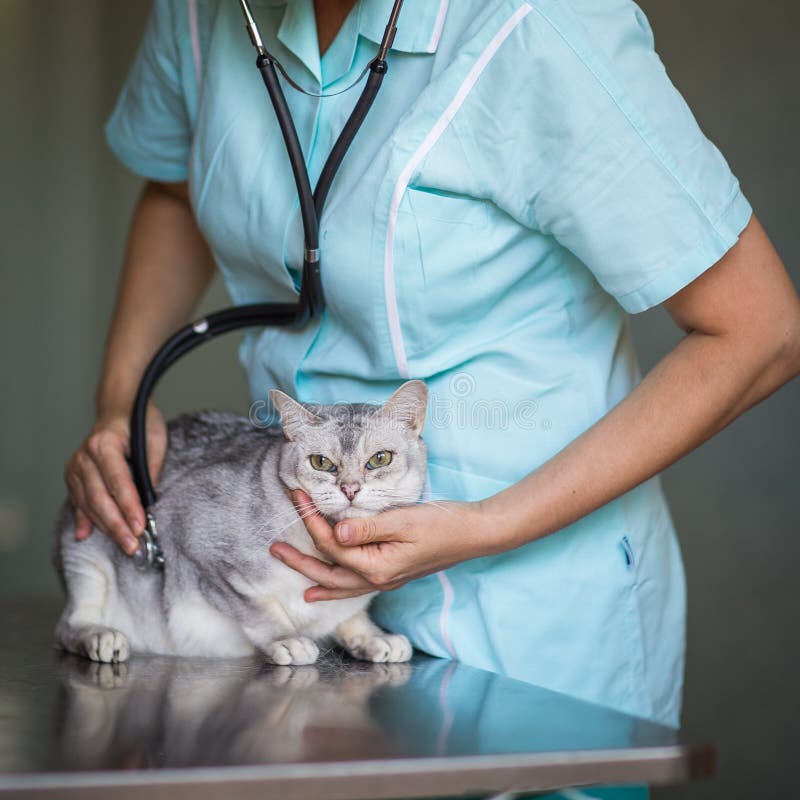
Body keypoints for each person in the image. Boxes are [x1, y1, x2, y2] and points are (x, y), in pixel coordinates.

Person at [65, 0, 799, 796]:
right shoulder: (199, 15)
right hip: (289, 603)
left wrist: (489, 525)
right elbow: (176, 191)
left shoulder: (543, 24)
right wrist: (119, 405)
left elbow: (762, 332)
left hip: (522, 624)